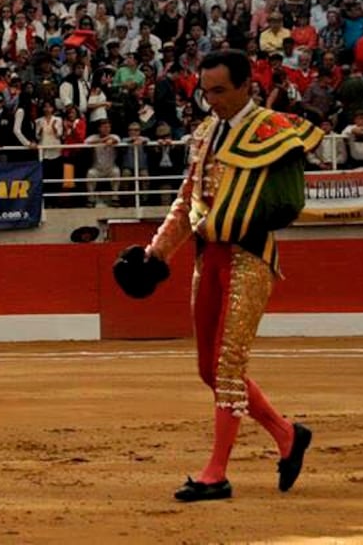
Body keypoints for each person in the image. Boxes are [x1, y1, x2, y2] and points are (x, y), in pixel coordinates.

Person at [137, 49, 322, 502]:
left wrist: (241, 220)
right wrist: (156, 252)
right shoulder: (204, 133)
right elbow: (188, 201)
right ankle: (286, 434)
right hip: (209, 257)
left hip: (249, 256)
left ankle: (215, 472)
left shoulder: (274, 131)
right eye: (206, 91)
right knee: (208, 367)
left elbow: (287, 203)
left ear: (246, 86)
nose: (211, 100)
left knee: (227, 367)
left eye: (220, 91)